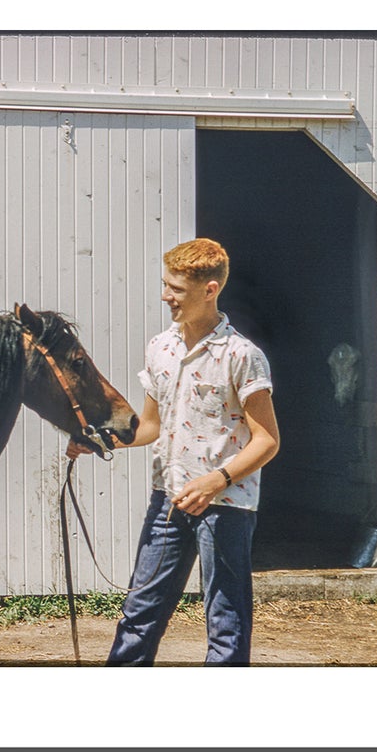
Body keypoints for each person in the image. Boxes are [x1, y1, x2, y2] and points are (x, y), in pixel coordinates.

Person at [100, 238, 280, 665]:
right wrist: (102, 439)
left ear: (210, 289)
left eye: (175, 289)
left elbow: (267, 440)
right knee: (139, 612)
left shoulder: (242, 356)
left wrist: (216, 481)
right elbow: (151, 426)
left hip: (226, 504)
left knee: (225, 618)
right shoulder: (160, 346)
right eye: (166, 285)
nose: (166, 296)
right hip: (168, 498)